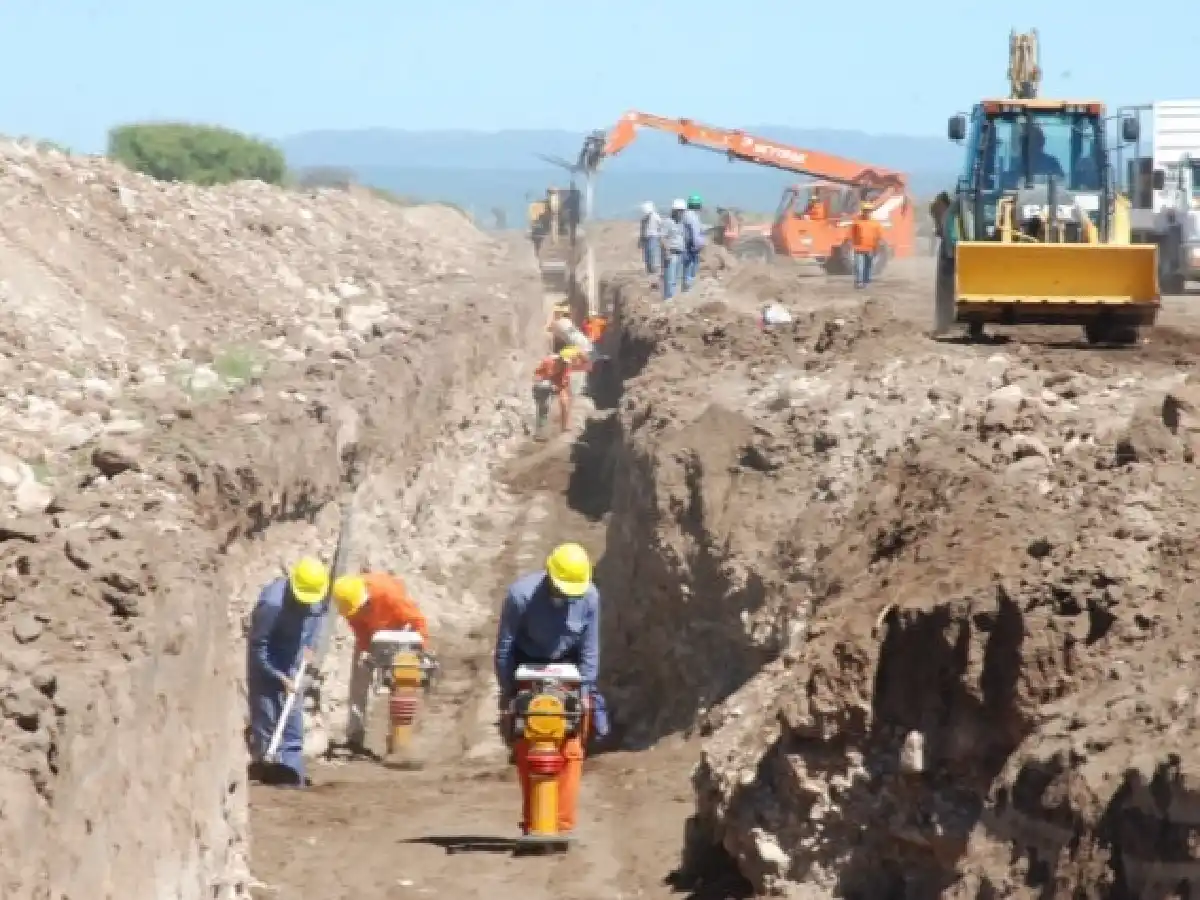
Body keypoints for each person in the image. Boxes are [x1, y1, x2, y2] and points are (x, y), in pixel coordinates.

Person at [494, 542, 609, 836]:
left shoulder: (590, 597)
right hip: (527, 666)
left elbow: (590, 649)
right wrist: (508, 693)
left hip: (568, 669)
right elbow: (505, 648)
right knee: (528, 743)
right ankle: (533, 820)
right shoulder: (521, 596)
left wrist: (584, 693)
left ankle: (562, 823)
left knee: (571, 748)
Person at [247, 556, 330, 786]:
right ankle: (269, 774)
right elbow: (258, 647)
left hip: (294, 660)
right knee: (268, 719)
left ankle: (293, 776)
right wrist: (279, 676)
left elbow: (316, 620)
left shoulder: (317, 597)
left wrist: (310, 646)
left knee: (292, 722)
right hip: (268, 661)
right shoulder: (272, 604)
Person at [331, 573, 433, 750]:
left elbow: (417, 620)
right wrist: (366, 652)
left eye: (362, 608)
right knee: (359, 677)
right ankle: (355, 736)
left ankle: (398, 739)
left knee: (403, 680)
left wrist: (420, 649)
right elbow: (360, 630)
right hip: (374, 635)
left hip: (402, 629)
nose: (360, 612)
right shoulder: (349, 604)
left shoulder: (387, 592)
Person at [532, 348, 580, 437]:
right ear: (558, 359)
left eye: (565, 363)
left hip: (558, 384)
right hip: (544, 384)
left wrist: (562, 389)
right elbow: (537, 376)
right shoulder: (548, 362)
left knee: (565, 402)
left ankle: (565, 427)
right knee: (544, 406)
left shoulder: (566, 365)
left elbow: (565, 381)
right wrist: (547, 383)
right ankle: (540, 430)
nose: (563, 364)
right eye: (562, 362)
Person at [850, 204, 883, 289]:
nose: (866, 212)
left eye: (868, 210)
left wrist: (877, 248)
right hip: (859, 248)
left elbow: (879, 237)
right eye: (865, 210)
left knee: (868, 266)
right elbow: (852, 234)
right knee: (859, 266)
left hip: (870, 248)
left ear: (871, 211)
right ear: (862, 211)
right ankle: (859, 282)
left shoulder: (875, 223)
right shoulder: (857, 222)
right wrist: (852, 245)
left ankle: (866, 282)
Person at [662, 200, 687, 301]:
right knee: (670, 278)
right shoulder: (668, 222)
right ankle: (668, 298)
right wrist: (667, 250)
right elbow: (662, 237)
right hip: (671, 253)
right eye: (679, 211)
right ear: (674, 211)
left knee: (677, 278)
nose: (681, 213)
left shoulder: (681, 223)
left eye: (682, 211)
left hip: (680, 252)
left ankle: (674, 299)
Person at [681, 194, 707, 292]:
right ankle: (688, 290)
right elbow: (695, 233)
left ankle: (685, 287)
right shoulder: (693, 217)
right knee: (691, 269)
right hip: (691, 246)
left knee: (685, 268)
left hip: (685, 245)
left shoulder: (685, 215)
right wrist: (699, 245)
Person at [638, 201, 662, 275]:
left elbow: (661, 226)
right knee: (647, 255)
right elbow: (642, 229)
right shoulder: (644, 218)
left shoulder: (656, 216)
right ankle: (649, 270)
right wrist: (641, 240)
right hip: (646, 238)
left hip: (654, 237)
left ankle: (654, 270)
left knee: (653, 253)